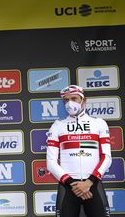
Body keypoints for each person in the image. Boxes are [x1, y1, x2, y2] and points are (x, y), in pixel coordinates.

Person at [46, 85, 112, 217]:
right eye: (66, 100)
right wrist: (73, 185)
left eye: (74, 98)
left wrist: (88, 182)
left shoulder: (99, 123)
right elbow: (51, 162)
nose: (70, 103)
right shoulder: (57, 125)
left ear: (84, 100)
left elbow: (107, 157)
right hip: (68, 187)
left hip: (93, 185)